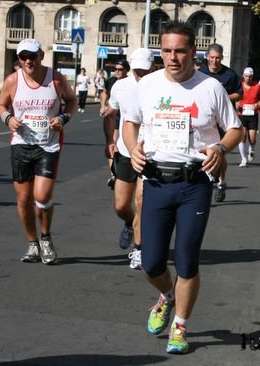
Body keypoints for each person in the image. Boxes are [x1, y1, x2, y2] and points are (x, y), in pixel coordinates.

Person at [123, 21, 243, 354]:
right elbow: (130, 122)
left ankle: (180, 326)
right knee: (151, 263)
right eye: (167, 51)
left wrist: (220, 148)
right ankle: (166, 296)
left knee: (188, 261)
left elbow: (235, 130)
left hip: (195, 184)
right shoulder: (146, 85)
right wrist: (133, 148)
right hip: (157, 180)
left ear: (193, 52)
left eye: (180, 51)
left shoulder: (210, 88)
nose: (173, 58)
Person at [0, 38, 77, 264]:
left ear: (41, 55)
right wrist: (8, 118)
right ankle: (33, 244)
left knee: (42, 197)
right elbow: (0, 105)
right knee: (23, 199)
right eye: (23, 57)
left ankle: (46, 237)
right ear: (19, 59)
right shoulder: (12, 81)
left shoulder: (56, 79)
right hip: (21, 144)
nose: (28, 61)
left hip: (48, 145)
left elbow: (71, 101)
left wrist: (63, 117)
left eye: (32, 56)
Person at [104, 48, 154, 269]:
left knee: (141, 202)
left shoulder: (160, 85)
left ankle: (139, 249)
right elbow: (110, 114)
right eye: (137, 70)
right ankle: (128, 223)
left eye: (145, 70)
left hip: (149, 153)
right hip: (125, 152)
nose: (140, 74)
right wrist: (110, 140)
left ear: (153, 66)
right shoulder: (121, 86)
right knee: (122, 205)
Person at [198, 43, 242, 202]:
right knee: (203, 152)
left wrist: (222, 98)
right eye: (212, 58)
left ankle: (222, 183)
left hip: (223, 120)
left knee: (219, 152)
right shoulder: (200, 73)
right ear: (207, 57)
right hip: (205, 120)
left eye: (217, 58)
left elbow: (239, 94)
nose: (215, 61)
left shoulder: (230, 75)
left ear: (222, 58)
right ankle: (205, 183)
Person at [101, 60, 130, 189]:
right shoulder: (111, 81)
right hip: (112, 116)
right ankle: (113, 173)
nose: (117, 71)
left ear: (126, 70)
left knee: (119, 144)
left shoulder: (130, 83)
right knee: (111, 144)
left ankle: (121, 170)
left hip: (122, 118)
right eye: (116, 69)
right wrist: (103, 106)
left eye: (120, 69)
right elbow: (105, 93)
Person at [235, 67, 260, 167]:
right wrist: (237, 103)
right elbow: (235, 96)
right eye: (246, 76)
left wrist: (257, 104)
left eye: (250, 77)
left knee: (252, 138)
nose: (248, 78)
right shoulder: (240, 86)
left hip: (252, 114)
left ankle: (252, 148)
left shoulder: (257, 86)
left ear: (252, 77)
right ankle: (243, 159)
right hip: (242, 114)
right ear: (243, 76)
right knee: (242, 137)